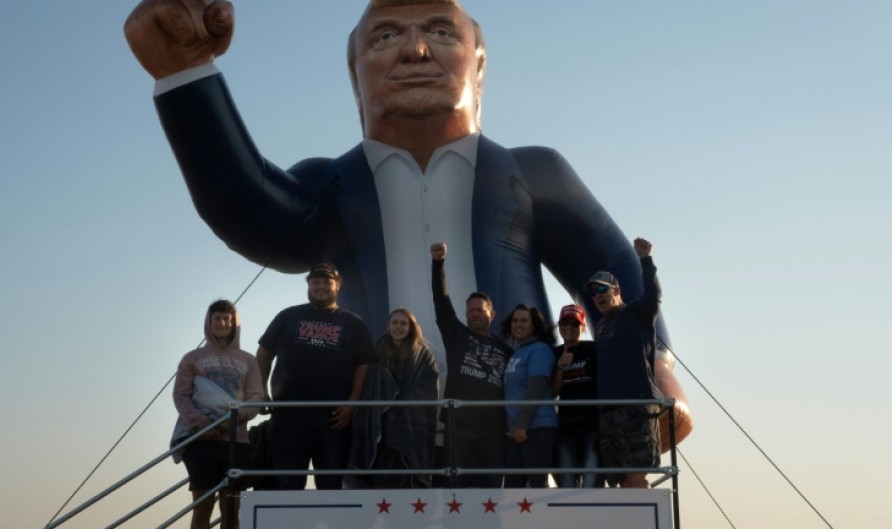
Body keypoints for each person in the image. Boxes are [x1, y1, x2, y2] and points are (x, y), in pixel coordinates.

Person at [122, 2, 694, 450]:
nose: (416, 50)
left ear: (480, 66)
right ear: (355, 75)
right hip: (375, 418)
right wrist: (184, 76)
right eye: (386, 35)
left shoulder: (533, 172)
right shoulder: (332, 184)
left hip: (510, 415)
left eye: (442, 32)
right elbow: (246, 208)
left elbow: (612, 275)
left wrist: (656, 370)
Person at [256, 262, 378, 489]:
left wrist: (351, 405)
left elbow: (364, 366)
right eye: (315, 282)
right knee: (286, 486)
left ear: (338, 285)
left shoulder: (354, 323)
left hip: (334, 419)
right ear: (309, 286)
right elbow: (264, 353)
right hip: (288, 416)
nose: (320, 286)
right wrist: (261, 391)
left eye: (326, 282)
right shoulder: (287, 316)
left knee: (331, 486)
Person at [173, 299, 263, 529]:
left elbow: (255, 397)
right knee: (202, 510)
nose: (222, 323)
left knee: (231, 512)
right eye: (217, 318)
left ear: (235, 324)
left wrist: (235, 418)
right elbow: (181, 396)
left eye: (227, 319)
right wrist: (202, 424)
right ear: (209, 322)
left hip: (237, 441)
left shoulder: (249, 360)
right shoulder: (191, 358)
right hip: (201, 441)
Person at [430, 242, 510, 488]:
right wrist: (438, 264)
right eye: (470, 310)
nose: (474, 313)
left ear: (491, 314)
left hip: (494, 431)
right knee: (455, 490)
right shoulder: (457, 335)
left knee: (490, 492)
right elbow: (442, 302)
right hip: (458, 427)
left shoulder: (508, 351)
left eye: (480, 310)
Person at [585, 237, 662, 489]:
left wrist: (646, 260)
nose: (597, 296)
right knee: (617, 479)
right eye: (593, 292)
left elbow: (653, 296)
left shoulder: (637, 313)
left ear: (616, 291)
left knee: (636, 475)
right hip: (608, 409)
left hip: (635, 405)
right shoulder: (601, 325)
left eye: (601, 290)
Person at [347, 308, 440, 488]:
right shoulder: (376, 351)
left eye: (403, 323)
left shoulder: (423, 354)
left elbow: (429, 386)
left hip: (411, 426)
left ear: (411, 327)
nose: (398, 327)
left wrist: (399, 398)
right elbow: (367, 383)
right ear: (388, 325)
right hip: (379, 424)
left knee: (407, 480)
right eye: (395, 323)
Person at [500, 304, 558, 488]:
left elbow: (536, 387)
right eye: (515, 321)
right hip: (518, 431)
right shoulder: (518, 351)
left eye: (524, 320)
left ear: (534, 325)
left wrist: (521, 423)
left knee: (537, 488)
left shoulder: (540, 349)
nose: (518, 324)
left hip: (536, 428)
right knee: (513, 490)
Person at [552, 304, 603, 488]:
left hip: (593, 426)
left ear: (583, 327)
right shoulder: (555, 353)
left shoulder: (593, 349)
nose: (569, 328)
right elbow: (553, 392)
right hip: (566, 426)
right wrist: (559, 367)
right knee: (567, 482)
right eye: (564, 323)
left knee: (592, 482)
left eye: (574, 324)